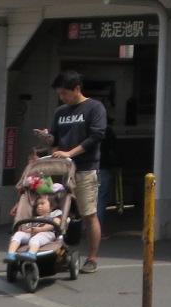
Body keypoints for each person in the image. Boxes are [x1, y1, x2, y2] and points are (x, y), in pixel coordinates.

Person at [33, 70, 106, 274]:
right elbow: (55, 140)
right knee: (59, 211)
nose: (62, 97)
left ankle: (92, 257)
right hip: (61, 170)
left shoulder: (94, 108)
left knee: (88, 213)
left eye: (65, 93)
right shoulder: (60, 112)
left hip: (85, 168)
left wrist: (70, 153)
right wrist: (47, 138)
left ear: (77, 89)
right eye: (59, 94)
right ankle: (59, 252)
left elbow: (96, 136)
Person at [6, 191, 62, 260]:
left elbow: (56, 224)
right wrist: (27, 230)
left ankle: (31, 254)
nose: (39, 206)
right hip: (32, 233)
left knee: (35, 239)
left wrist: (40, 229)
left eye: (42, 203)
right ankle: (11, 254)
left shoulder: (55, 213)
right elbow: (28, 226)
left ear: (52, 206)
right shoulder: (35, 218)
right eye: (37, 204)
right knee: (18, 234)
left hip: (47, 234)